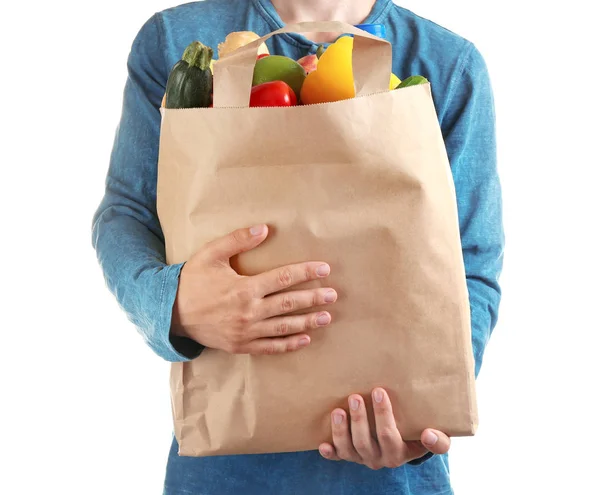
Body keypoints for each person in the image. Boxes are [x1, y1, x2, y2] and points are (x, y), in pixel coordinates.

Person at [91, 0, 504, 493]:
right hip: (219, 474)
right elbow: (126, 215)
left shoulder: (448, 64)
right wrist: (174, 303)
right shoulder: (174, 39)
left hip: (389, 478)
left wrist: (425, 413)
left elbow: (471, 261)